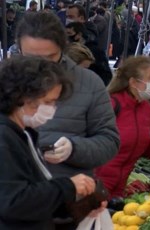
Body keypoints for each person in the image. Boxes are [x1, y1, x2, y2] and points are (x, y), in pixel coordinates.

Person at [16, 12, 120, 228]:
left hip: (70, 211)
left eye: (48, 58)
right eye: (30, 57)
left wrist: (74, 148)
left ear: (62, 49)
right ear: (18, 50)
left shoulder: (89, 84)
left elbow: (109, 141)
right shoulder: (5, 82)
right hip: (14, 209)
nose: (38, 66)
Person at [0, 55, 104, 229]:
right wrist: (69, 187)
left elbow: (34, 194)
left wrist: (77, 207)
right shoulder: (4, 138)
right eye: (48, 102)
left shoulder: (24, 133)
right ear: (23, 97)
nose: (52, 109)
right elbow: (14, 202)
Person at [95, 56, 150, 198]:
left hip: (120, 186)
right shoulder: (111, 104)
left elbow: (138, 142)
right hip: (97, 184)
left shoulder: (146, 108)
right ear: (134, 82)